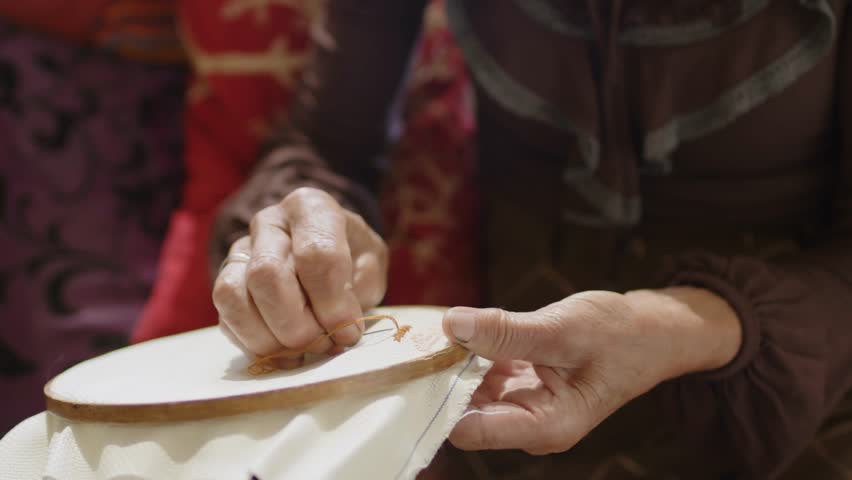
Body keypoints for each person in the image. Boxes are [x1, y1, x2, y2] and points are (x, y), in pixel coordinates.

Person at [209, 1, 852, 478]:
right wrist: (302, 231)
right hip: (499, 404)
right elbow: (325, 144)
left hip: (800, 394)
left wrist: (683, 326)